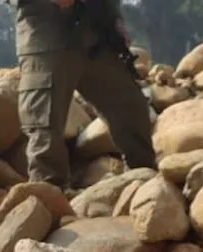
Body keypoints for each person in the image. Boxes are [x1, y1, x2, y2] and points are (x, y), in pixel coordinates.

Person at [11, 0, 155, 188]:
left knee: (131, 107)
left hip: (97, 35)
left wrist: (114, 17)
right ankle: (48, 203)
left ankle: (145, 184)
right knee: (45, 126)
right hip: (46, 36)